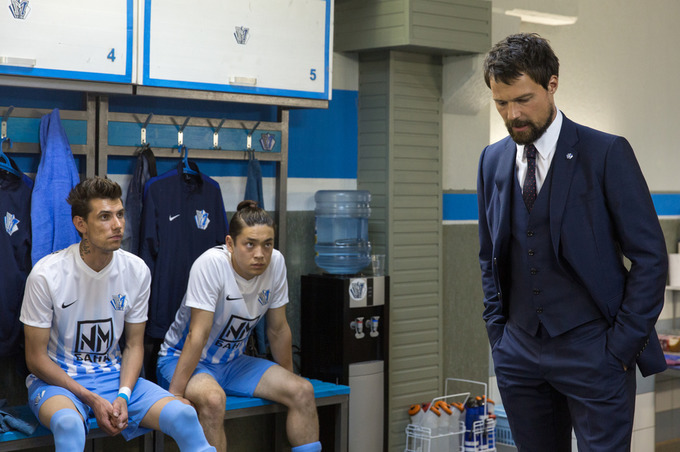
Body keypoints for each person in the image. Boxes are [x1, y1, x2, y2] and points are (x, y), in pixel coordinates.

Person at [477, 33, 668, 451]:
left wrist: (620, 347)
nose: (513, 114)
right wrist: (499, 335)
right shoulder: (492, 160)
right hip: (518, 352)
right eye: (501, 103)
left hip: (595, 351)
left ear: (552, 84)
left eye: (523, 99)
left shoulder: (605, 153)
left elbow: (651, 258)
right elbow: (489, 255)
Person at [20, 177, 215, 452]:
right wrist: (90, 398)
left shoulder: (136, 270)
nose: (117, 225)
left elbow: (134, 345)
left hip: (113, 377)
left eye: (120, 214)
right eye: (105, 217)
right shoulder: (46, 274)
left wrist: (123, 395)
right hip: (58, 382)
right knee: (68, 424)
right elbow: (35, 358)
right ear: (80, 224)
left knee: (184, 415)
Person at [157, 200, 321, 452]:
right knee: (213, 400)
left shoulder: (276, 263)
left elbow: (278, 329)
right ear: (230, 244)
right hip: (182, 359)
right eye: (250, 244)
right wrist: (176, 396)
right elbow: (197, 335)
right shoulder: (211, 264)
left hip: (233, 362)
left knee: (302, 390)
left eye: (267, 244)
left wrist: (287, 379)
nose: (260, 254)